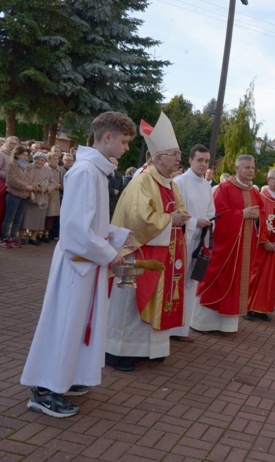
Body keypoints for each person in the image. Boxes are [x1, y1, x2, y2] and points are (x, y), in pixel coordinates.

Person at [20, 111, 134, 418]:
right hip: (76, 266)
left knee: (77, 326)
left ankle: (65, 377)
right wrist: (111, 254)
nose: (125, 149)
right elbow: (75, 231)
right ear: (107, 137)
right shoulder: (85, 171)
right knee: (64, 325)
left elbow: (91, 224)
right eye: (123, 142)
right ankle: (44, 390)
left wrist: (117, 238)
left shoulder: (96, 171)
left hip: (86, 265)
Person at [106, 112, 190, 371]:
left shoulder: (170, 184)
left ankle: (150, 349)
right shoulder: (143, 181)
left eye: (178, 154)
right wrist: (170, 219)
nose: (178, 158)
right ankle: (118, 351)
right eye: (174, 154)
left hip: (164, 252)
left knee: (159, 300)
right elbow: (137, 217)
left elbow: (179, 209)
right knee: (131, 304)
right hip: (139, 252)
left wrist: (180, 218)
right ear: (158, 157)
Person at [193, 155, 263, 333]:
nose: (250, 171)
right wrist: (241, 214)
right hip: (226, 248)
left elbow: (260, 215)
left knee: (238, 282)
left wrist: (256, 218)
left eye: (252, 168)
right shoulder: (224, 188)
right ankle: (204, 323)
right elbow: (216, 215)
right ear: (237, 169)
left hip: (243, 249)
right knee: (216, 279)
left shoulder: (255, 193)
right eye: (246, 167)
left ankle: (227, 325)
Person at [170, 144, 215, 340]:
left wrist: (206, 224)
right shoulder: (180, 182)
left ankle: (182, 328)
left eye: (206, 161)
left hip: (198, 241)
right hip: (182, 239)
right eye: (200, 160)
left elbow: (211, 213)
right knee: (176, 281)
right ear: (190, 160)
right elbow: (176, 212)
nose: (204, 165)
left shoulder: (207, 186)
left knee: (191, 285)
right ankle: (170, 327)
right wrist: (196, 222)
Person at [246, 168, 275, 321]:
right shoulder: (259, 198)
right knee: (254, 276)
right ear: (268, 179)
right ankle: (248, 307)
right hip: (261, 247)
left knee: (270, 280)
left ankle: (263, 309)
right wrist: (265, 241)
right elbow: (257, 222)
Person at [1, 146, 35, 248]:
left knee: (18, 218)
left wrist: (32, 186)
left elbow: (35, 180)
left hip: (25, 196)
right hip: (14, 194)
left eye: (26, 155)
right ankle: (5, 238)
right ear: (16, 155)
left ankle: (12, 238)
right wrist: (25, 186)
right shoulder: (12, 165)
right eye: (23, 155)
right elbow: (12, 179)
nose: (25, 157)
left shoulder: (29, 167)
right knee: (9, 217)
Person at [21, 152, 54, 245]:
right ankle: (21, 236)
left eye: (42, 160)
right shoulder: (28, 167)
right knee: (25, 217)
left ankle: (33, 237)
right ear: (34, 159)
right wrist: (34, 187)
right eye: (38, 159)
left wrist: (47, 188)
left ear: (45, 162)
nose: (39, 162)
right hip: (28, 195)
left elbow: (53, 183)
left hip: (42, 198)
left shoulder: (48, 170)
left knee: (39, 219)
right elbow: (23, 179)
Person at [43, 151, 64, 242]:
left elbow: (64, 181)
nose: (56, 161)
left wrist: (61, 185)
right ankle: (39, 233)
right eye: (54, 159)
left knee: (52, 215)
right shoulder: (45, 168)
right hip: (45, 194)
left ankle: (47, 233)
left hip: (55, 196)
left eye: (57, 159)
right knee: (43, 215)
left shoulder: (61, 169)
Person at [0, 136, 20, 227]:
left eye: (15, 143)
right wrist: (10, 176)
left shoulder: (17, 156)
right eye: (11, 143)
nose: (12, 145)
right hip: (3, 184)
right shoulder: (1, 154)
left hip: (14, 185)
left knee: (7, 211)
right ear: (6, 143)